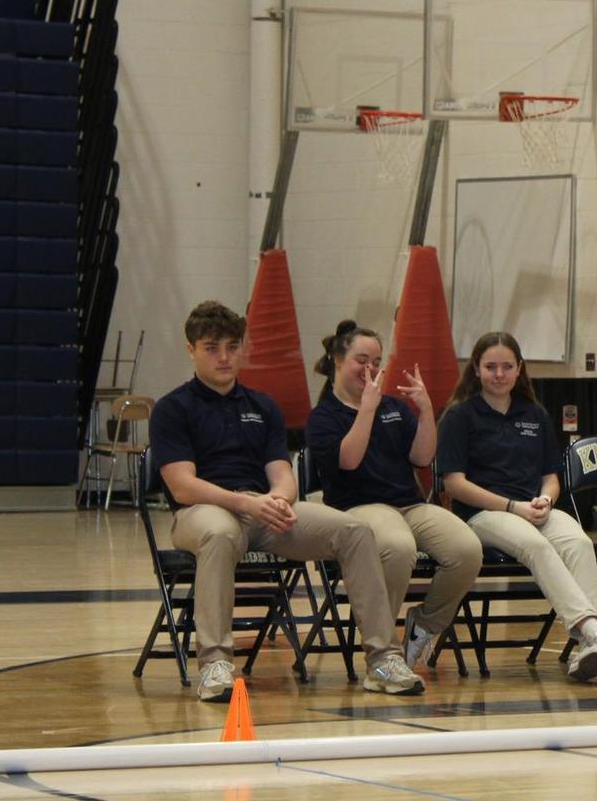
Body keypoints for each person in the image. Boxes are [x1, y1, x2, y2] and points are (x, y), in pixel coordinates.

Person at [149, 300, 411, 701]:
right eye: (211, 347)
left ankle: (382, 660)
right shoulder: (173, 408)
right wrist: (245, 504)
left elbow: (282, 474)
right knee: (219, 534)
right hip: (201, 512)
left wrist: (278, 500)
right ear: (191, 350)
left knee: (356, 530)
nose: (224, 357)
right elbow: (183, 485)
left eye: (232, 347)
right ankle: (215, 664)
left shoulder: (262, 406)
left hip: (263, 510)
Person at [435, 331, 597, 682]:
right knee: (536, 545)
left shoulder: (535, 413)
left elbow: (551, 476)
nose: (499, 374)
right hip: (483, 515)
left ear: (519, 369)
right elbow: (455, 484)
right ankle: (593, 631)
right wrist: (512, 508)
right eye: (491, 367)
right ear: (476, 370)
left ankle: (589, 647)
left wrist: (546, 499)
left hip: (532, 507)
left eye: (507, 366)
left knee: (578, 542)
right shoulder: (459, 415)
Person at [306, 320, 482, 689]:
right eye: (360, 360)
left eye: (377, 360)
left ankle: (424, 624)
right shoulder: (324, 416)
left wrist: (426, 410)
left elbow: (422, 457)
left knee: (466, 549)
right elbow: (349, 460)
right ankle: (381, 659)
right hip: (357, 507)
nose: (369, 369)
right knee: (398, 547)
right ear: (338, 361)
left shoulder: (394, 408)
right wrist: (366, 410)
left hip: (409, 505)